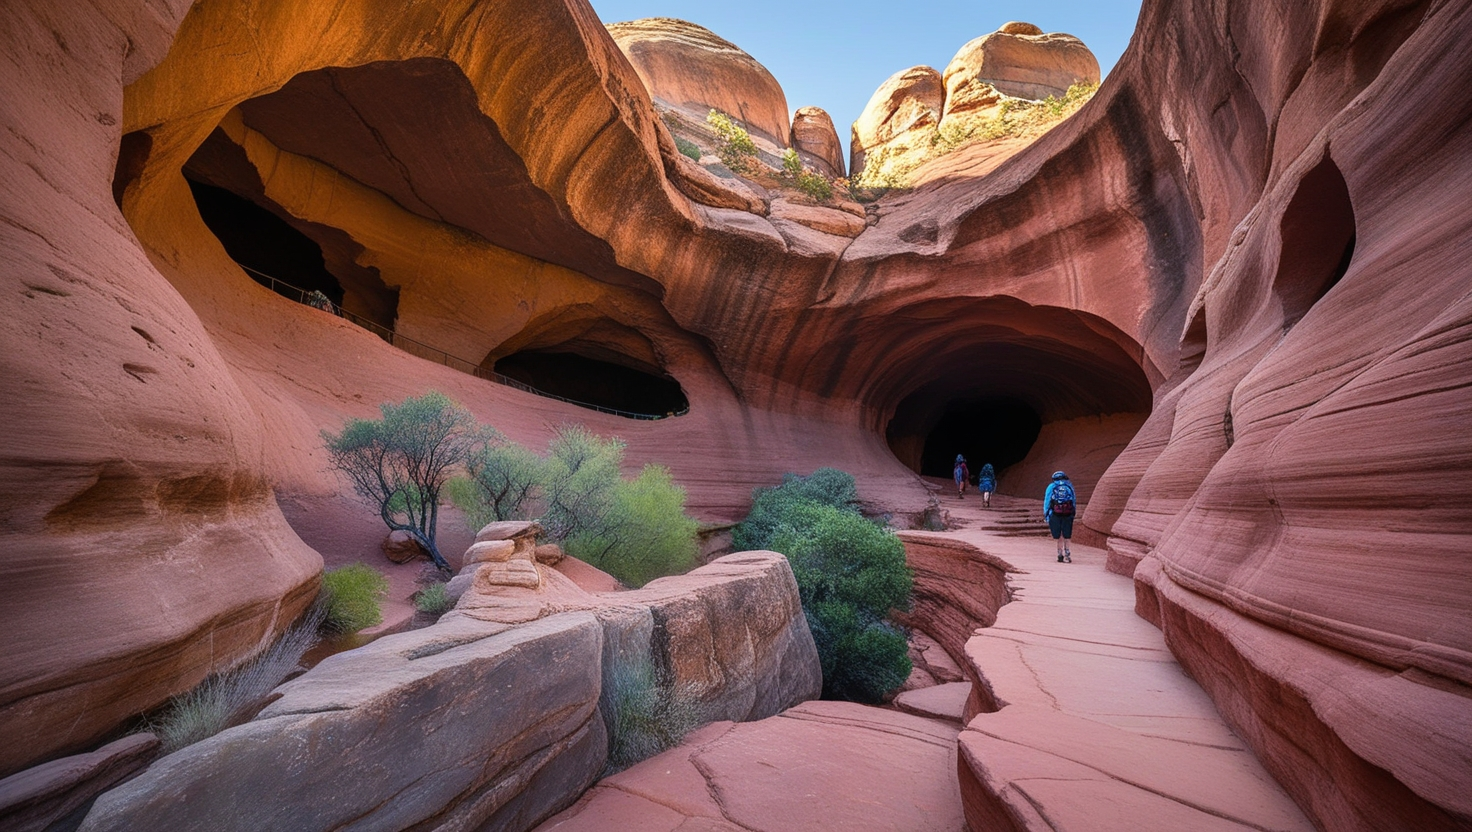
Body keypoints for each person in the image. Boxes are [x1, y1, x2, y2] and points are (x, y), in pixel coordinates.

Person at [1044, 471, 1076, 562]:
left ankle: (1060, 554)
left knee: (1059, 535)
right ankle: (1067, 554)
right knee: (1067, 535)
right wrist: (1073, 512)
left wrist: (1046, 513)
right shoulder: (1069, 486)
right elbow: (1073, 500)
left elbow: (1047, 500)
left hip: (1055, 513)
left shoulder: (1052, 486)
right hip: (1068, 513)